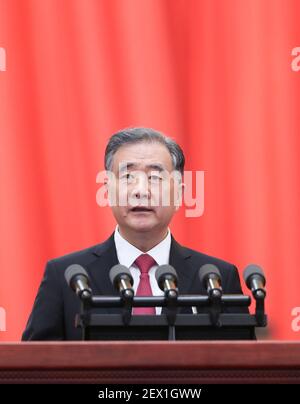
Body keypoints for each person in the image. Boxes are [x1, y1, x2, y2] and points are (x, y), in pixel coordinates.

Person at [22, 127, 252, 340]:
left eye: (155, 178)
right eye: (128, 177)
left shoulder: (217, 278)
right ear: (107, 190)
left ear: (179, 194)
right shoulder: (65, 277)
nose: (141, 191)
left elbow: (244, 371)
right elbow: (34, 368)